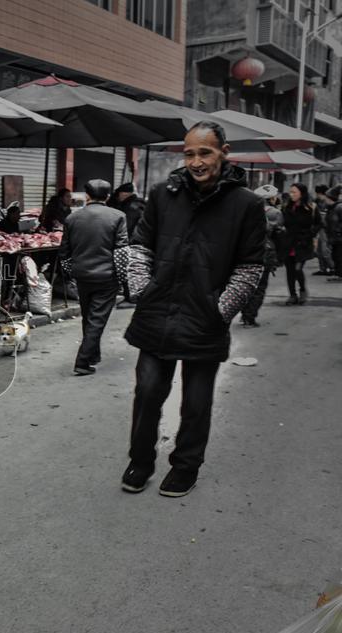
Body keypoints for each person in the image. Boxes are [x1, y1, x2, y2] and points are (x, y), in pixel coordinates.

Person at [122, 120, 265, 498]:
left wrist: (220, 310)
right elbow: (141, 247)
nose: (196, 162)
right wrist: (142, 291)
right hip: (156, 313)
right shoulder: (162, 194)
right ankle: (140, 460)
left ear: (224, 152)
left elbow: (250, 267)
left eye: (205, 152)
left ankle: (186, 466)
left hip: (205, 319)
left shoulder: (247, 205)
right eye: (189, 154)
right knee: (147, 392)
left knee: (196, 402)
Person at [59, 179, 129, 375]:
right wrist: (122, 279)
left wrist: (71, 272)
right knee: (97, 319)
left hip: (82, 276)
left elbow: (64, 252)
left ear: (87, 196)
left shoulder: (72, 218)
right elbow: (121, 251)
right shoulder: (118, 216)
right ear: (108, 196)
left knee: (88, 317)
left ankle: (92, 355)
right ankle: (82, 361)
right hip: (107, 277)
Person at [240, 185, 285, 327]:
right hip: (265, 252)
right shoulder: (275, 213)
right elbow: (279, 235)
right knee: (260, 286)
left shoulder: (245, 210)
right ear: (271, 198)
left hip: (244, 252)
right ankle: (249, 317)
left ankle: (245, 313)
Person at [279, 182, 318, 305]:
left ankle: (302, 290)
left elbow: (319, 224)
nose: (291, 194)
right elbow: (282, 222)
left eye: (294, 192)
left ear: (302, 193)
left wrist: (310, 234)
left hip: (303, 243)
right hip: (288, 242)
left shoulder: (311, 207)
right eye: (290, 192)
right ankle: (292, 295)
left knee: (297, 269)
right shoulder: (286, 207)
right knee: (289, 270)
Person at [109, 183, 145, 307]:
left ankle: (131, 297)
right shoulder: (139, 204)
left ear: (124, 194)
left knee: (126, 269)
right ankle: (132, 295)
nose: (118, 197)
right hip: (140, 242)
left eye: (119, 194)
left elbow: (127, 227)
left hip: (131, 242)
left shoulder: (130, 207)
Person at [313, 184, 335, 276]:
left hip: (326, 229)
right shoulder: (318, 201)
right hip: (321, 228)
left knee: (325, 250)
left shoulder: (329, 202)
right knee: (319, 250)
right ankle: (323, 269)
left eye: (318, 194)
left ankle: (333, 268)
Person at [327, 185, 342, 282]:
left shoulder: (339, 207)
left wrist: (338, 232)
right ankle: (338, 273)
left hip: (338, 236)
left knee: (338, 256)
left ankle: (339, 274)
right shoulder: (333, 208)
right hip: (335, 236)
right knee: (335, 255)